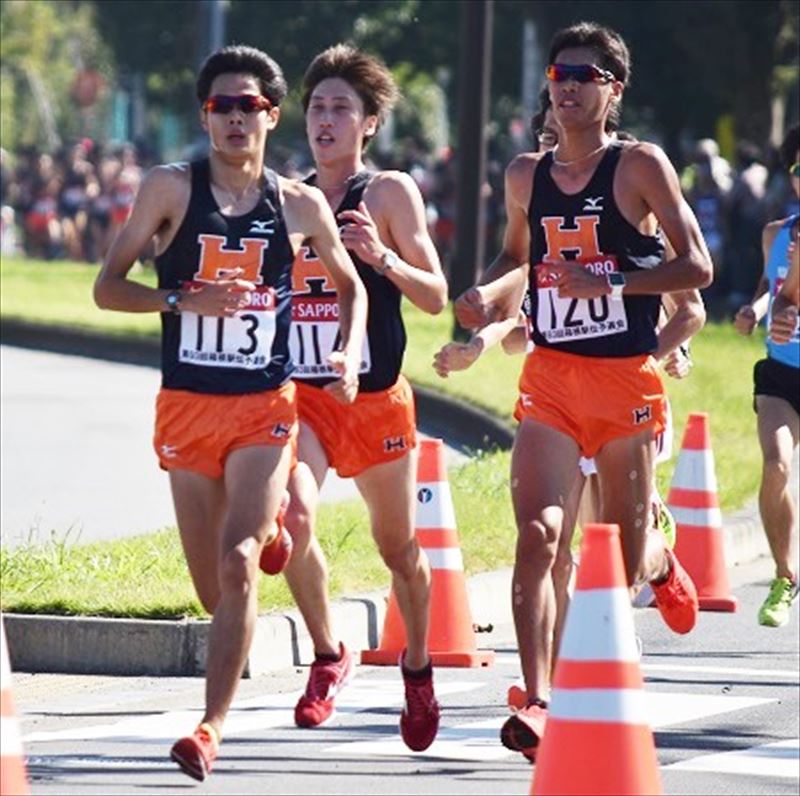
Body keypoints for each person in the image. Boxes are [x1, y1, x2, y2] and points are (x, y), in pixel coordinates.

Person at [93, 45, 367, 781]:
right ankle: (269, 526)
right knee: (213, 592)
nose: (237, 118)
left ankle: (210, 728)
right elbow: (107, 288)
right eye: (223, 106)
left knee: (241, 564)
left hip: (264, 409)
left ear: (272, 116)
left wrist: (349, 350)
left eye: (250, 106)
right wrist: (181, 299)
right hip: (187, 406)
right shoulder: (169, 190)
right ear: (204, 116)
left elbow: (351, 287)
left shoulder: (300, 204)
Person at [451, 21, 713, 761]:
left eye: (586, 75)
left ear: (613, 90)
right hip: (553, 379)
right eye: (560, 73)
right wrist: (487, 295)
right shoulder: (524, 174)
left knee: (622, 561)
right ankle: (537, 698)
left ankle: (660, 560)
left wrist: (611, 279)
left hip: (624, 379)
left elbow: (696, 270)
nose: (567, 84)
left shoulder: (639, 166)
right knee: (538, 539)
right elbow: (517, 258)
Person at [277, 44, 447, 752]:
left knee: (398, 548)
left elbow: (436, 297)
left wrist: (382, 258)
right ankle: (327, 653)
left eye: (341, 108)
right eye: (317, 107)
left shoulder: (388, 193)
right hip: (308, 398)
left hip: (375, 399)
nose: (325, 119)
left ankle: (417, 668)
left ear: (369, 123)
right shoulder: (288, 198)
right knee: (288, 516)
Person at [733, 124, 799, 628]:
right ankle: (785, 575)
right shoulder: (777, 233)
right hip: (780, 370)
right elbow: (767, 286)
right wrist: (755, 311)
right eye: (798, 171)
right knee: (775, 465)